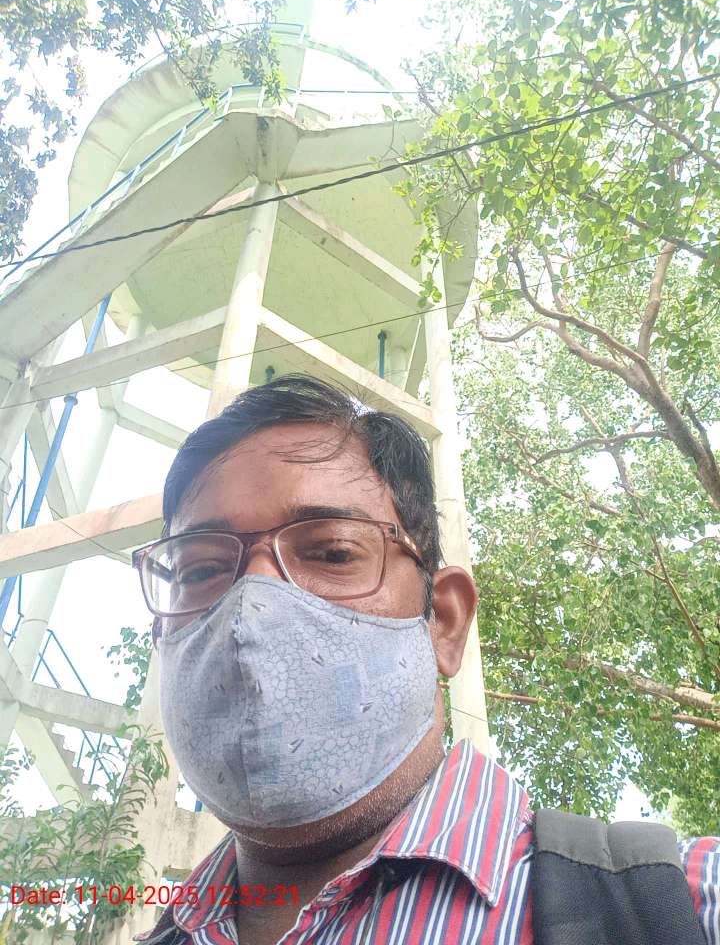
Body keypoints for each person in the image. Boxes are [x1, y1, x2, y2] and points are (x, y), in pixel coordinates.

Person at [133, 374, 719, 945]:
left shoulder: (681, 906)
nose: (251, 609)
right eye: (201, 570)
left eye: (333, 553)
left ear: (443, 621)